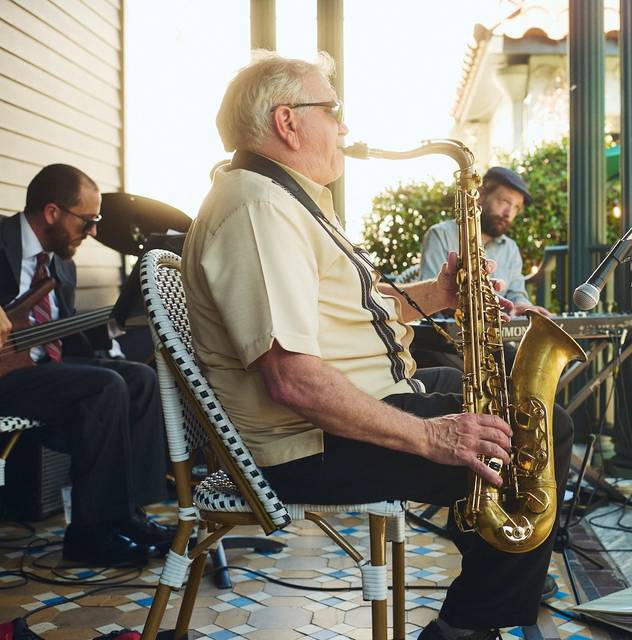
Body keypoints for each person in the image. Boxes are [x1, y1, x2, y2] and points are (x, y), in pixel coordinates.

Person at [181, 52, 573, 639]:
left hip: (355, 405)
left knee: (516, 406)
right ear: (287, 122)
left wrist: (440, 295)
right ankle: (471, 624)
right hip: (304, 444)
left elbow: (352, 311)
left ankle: (496, 560)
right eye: (331, 110)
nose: (343, 126)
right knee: (539, 432)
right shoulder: (259, 206)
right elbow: (291, 379)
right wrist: (431, 436)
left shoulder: (285, 201)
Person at [0, 164, 174, 566]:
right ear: (52, 212)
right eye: (89, 220)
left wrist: (116, 325)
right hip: (9, 378)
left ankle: (129, 515)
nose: (94, 231)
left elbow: (64, 336)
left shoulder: (62, 265)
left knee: (140, 378)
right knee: (105, 387)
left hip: (44, 370)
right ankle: (89, 534)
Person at [419, 166, 549, 317]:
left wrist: (521, 305)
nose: (509, 213)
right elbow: (430, 298)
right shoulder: (440, 234)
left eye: (516, 208)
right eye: (505, 201)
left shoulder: (511, 248)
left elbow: (516, 293)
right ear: (480, 195)